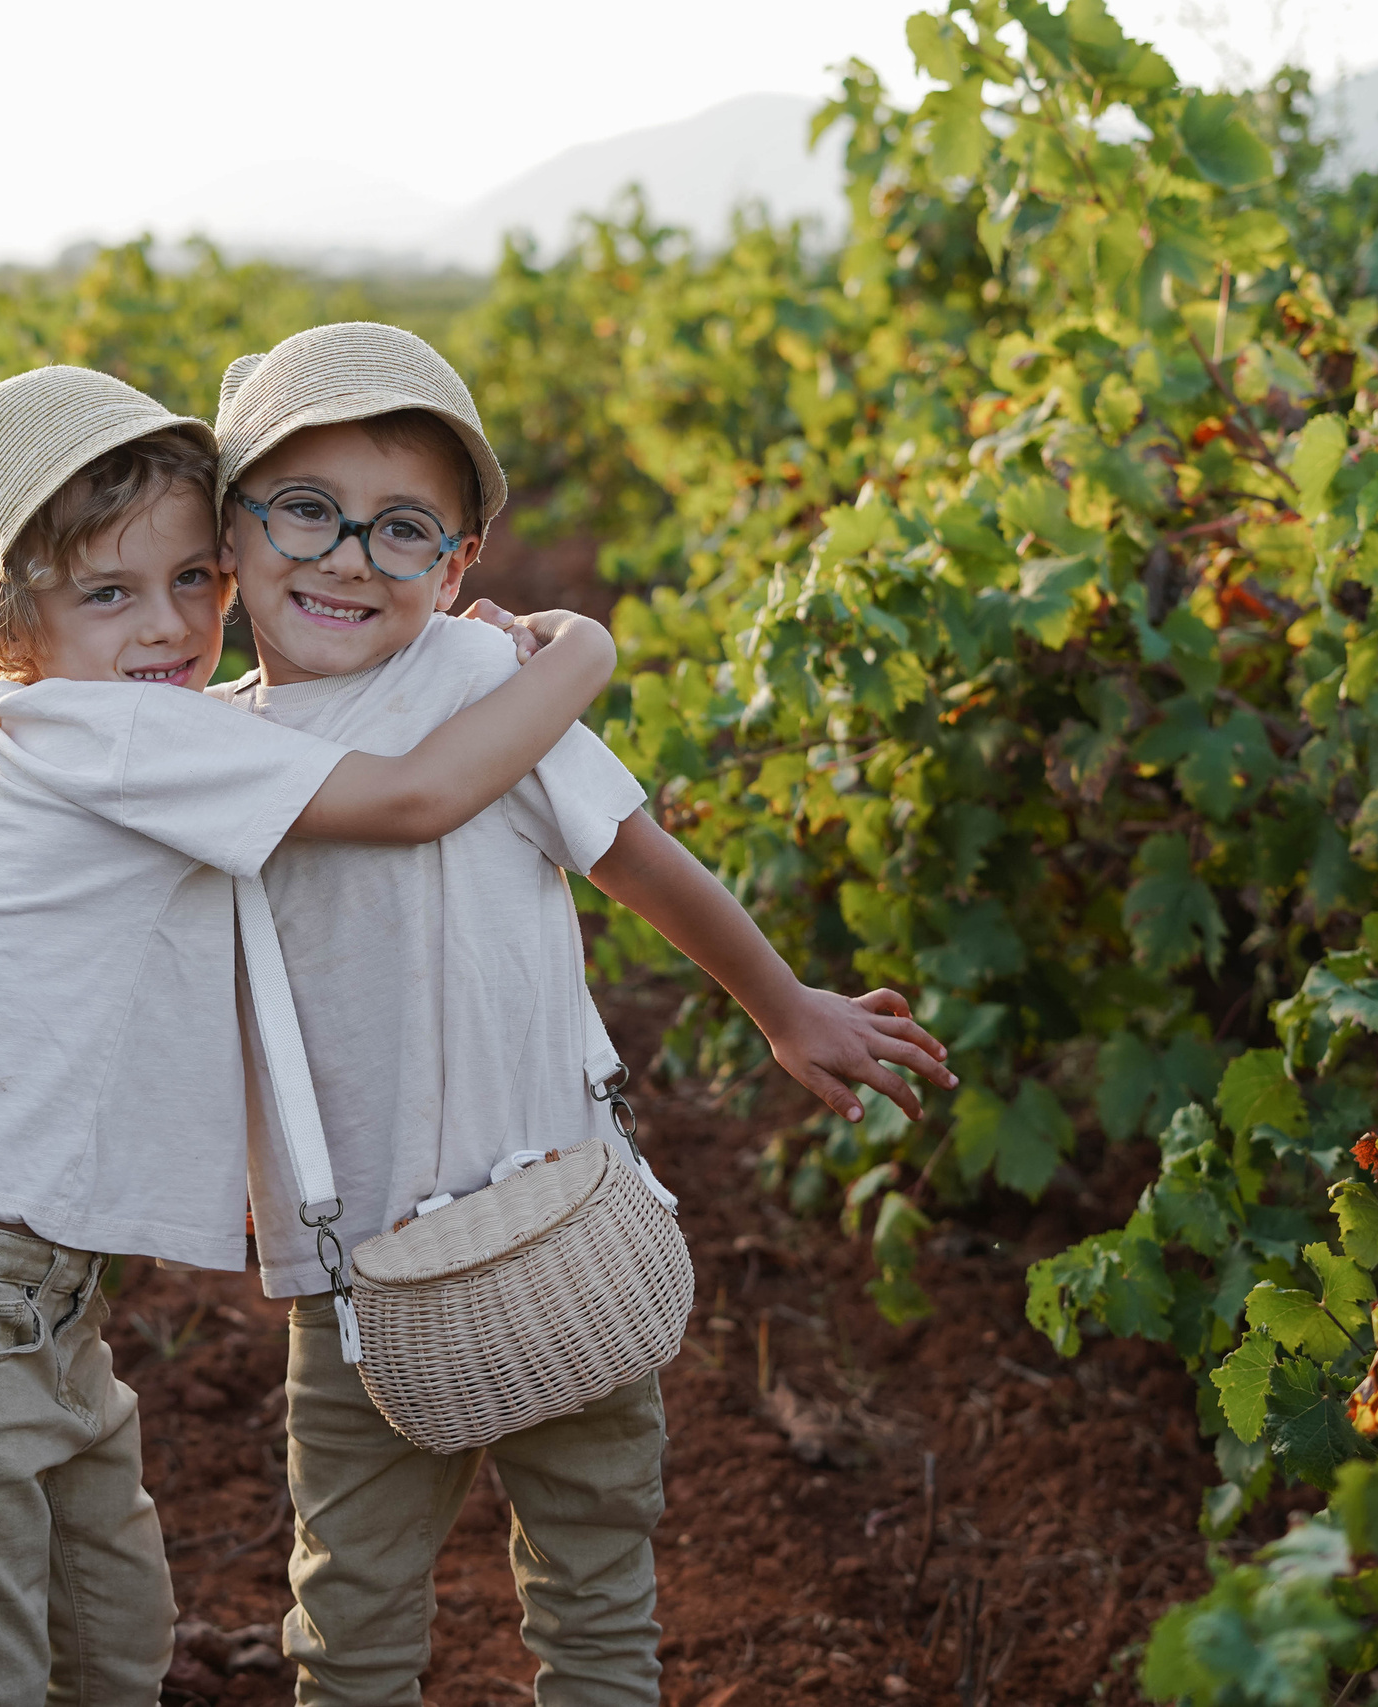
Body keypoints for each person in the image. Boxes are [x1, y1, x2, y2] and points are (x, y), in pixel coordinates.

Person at [0, 363, 619, 1706]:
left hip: (42, 1308)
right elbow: (419, 792)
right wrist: (585, 652)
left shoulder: (147, 729)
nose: (171, 626)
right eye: (110, 594)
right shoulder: (95, 730)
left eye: (195, 579)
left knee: (113, 1649)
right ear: (5, 628)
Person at [208, 323, 958, 1704]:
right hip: (354, 1276)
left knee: (597, 1593)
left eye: (403, 529)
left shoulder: (490, 687)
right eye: (304, 510)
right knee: (355, 1615)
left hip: (562, 1217)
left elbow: (633, 854)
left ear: (460, 562)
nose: (346, 557)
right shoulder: (208, 755)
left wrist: (784, 1006)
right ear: (231, 531)